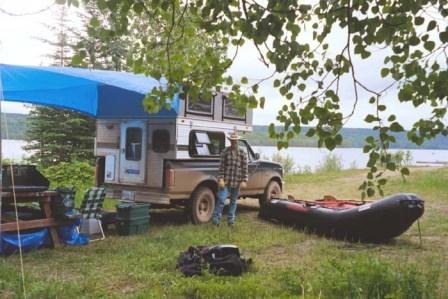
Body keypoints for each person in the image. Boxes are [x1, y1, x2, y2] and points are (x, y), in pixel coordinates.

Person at [212, 131, 248, 227]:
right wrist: (220, 179)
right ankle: (216, 221)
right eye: (232, 140)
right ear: (229, 141)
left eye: (235, 140)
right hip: (226, 181)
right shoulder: (225, 152)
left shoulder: (242, 153)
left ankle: (230, 221)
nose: (233, 142)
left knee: (233, 202)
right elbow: (221, 167)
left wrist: (244, 180)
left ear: (237, 141)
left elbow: (245, 168)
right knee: (221, 200)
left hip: (237, 182)